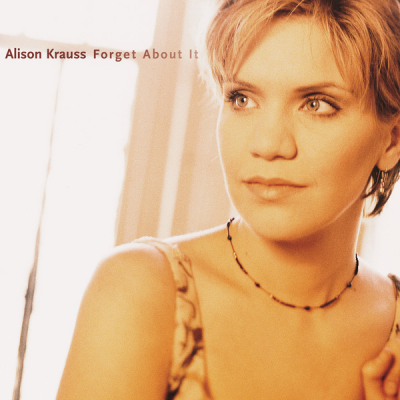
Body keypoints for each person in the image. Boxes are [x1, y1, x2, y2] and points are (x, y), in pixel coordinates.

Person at [56, 0, 400, 399]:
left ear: (392, 140)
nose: (268, 145)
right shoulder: (139, 292)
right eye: (242, 98)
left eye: (316, 104)